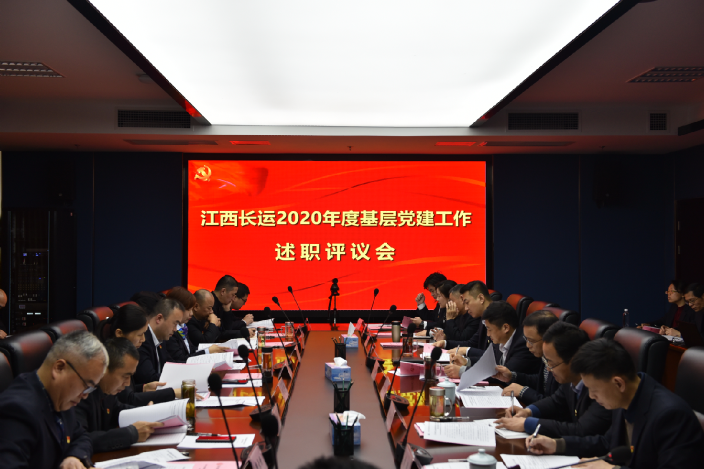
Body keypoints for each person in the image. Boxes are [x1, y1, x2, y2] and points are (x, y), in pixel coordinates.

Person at [526, 339, 704, 469]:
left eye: (594, 390)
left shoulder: (670, 415)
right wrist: (557, 445)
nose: (592, 396)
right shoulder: (625, 397)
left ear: (618, 383)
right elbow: (607, 443)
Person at [0, 330, 107, 469]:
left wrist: (73, 457)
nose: (85, 395)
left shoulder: (60, 397)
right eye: (86, 385)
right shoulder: (17, 411)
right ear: (59, 368)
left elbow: (81, 436)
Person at [495, 322, 611, 438]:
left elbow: (581, 430)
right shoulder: (570, 380)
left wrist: (528, 424)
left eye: (551, 363)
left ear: (574, 361)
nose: (548, 369)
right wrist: (528, 411)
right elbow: (555, 401)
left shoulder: (601, 388)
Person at [76, 338, 164, 452]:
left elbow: (118, 410)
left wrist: (144, 412)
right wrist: (131, 433)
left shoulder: (107, 390)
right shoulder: (79, 395)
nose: (127, 383)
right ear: (104, 369)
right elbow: (81, 440)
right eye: (125, 376)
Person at [100, 304, 178, 405]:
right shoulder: (115, 359)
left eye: (144, 334)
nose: (143, 339)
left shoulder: (126, 353)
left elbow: (127, 392)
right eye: (140, 334)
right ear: (119, 334)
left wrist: (143, 388)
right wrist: (173, 393)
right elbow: (128, 399)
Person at [447, 299, 541, 378]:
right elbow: (490, 362)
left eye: (489, 329)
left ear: (505, 328)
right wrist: (467, 361)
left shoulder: (523, 345)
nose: (488, 334)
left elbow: (501, 375)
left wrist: (462, 371)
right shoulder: (501, 339)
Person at [492, 310, 560, 404]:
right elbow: (541, 381)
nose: (527, 345)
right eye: (526, 339)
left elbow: (555, 405)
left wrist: (523, 391)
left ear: (548, 339)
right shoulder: (545, 357)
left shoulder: (562, 365)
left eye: (531, 341)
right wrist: (512, 376)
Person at [443, 280, 494, 377]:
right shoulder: (484, 317)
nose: (466, 308)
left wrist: (464, 367)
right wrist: (446, 343)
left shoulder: (498, 317)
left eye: (467, 302)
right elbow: (472, 343)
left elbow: (494, 358)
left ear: (481, 298)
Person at [163, 286, 227, 362]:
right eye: (189, 310)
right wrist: (207, 351)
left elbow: (191, 349)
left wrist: (210, 349)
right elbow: (180, 359)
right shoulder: (170, 331)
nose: (191, 313)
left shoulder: (183, 325)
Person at [134, 298, 184, 385]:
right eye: (175, 324)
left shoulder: (161, 337)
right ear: (159, 318)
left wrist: (194, 367)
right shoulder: (141, 341)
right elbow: (150, 379)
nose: (175, 329)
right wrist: (184, 376)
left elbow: (169, 364)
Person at [212, 275, 252, 339]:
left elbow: (227, 328)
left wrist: (227, 310)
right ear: (223, 291)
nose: (233, 299)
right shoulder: (209, 304)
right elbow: (218, 334)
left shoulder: (222, 303)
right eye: (233, 295)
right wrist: (241, 333)